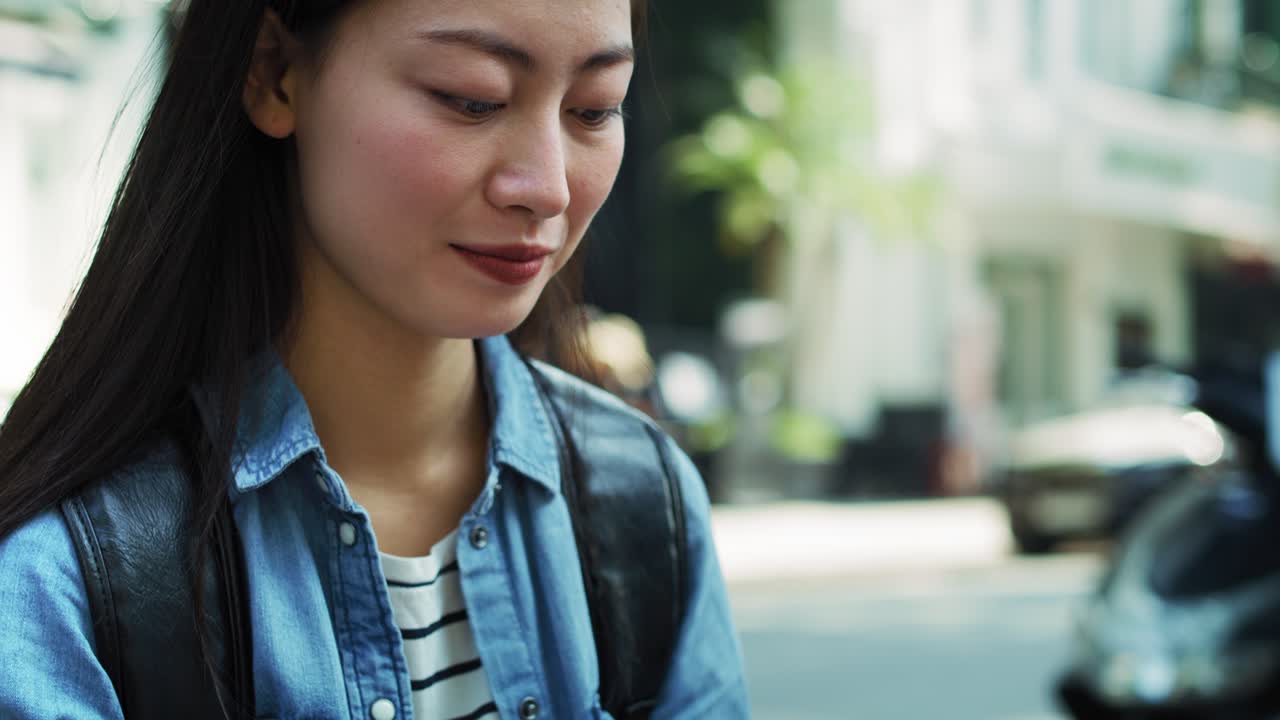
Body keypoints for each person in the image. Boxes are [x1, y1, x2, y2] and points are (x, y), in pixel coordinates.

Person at [0, 1, 749, 718]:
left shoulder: (643, 501)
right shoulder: (64, 585)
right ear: (273, 72)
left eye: (592, 108)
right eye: (472, 99)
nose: (546, 189)